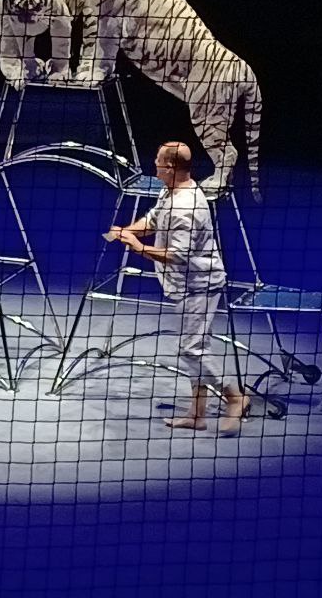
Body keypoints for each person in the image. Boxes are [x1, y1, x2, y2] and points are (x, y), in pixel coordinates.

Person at [106, 141, 249, 434]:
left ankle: (235, 397)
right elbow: (154, 219)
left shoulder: (187, 207)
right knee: (196, 348)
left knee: (191, 349)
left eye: (158, 161)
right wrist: (127, 231)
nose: (155, 165)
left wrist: (138, 247)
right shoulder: (170, 190)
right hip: (185, 284)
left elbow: (178, 255)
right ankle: (197, 415)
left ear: (170, 167)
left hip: (200, 285)